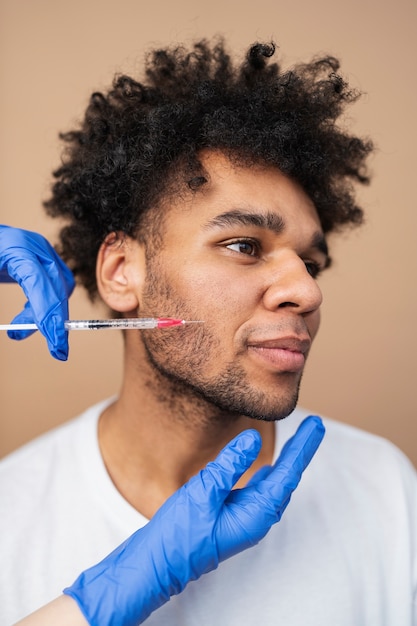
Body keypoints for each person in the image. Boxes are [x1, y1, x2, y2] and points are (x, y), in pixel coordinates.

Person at [0, 39, 416, 625]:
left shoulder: (385, 493)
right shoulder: (9, 513)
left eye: (311, 264)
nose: (307, 292)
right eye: (244, 245)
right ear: (123, 273)